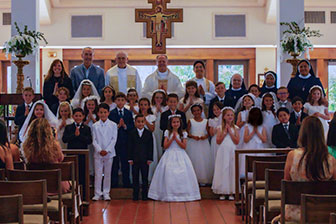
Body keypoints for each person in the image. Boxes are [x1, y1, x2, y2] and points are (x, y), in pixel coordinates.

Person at [282, 116, 336, 223]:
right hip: (323, 212)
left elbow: (287, 186)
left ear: (302, 134)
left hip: (297, 213)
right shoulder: (331, 160)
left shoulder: (292, 156)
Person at [148, 115, 201, 202]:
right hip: (169, 153)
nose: (176, 124)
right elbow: (165, 146)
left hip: (180, 154)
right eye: (174, 122)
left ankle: (183, 194)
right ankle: (168, 193)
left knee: (183, 174)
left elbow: (184, 146)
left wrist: (176, 139)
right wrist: (171, 139)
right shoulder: (167, 132)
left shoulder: (183, 133)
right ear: (171, 123)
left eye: (177, 122)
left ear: (180, 123)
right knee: (168, 172)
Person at [212, 107, 239, 200]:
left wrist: (230, 132)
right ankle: (222, 191)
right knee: (223, 168)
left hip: (232, 150)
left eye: (231, 115)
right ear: (224, 117)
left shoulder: (236, 128)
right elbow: (218, 141)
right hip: (223, 150)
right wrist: (224, 132)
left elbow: (237, 141)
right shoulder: (219, 128)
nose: (230, 117)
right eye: (228, 115)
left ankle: (231, 191)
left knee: (231, 168)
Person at [92, 103, 117, 201]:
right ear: (98, 113)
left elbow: (114, 139)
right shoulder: (95, 126)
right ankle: (97, 193)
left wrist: (107, 150)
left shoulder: (113, 125)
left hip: (109, 153)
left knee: (107, 173)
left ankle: (106, 192)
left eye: (105, 112)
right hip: (98, 153)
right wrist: (99, 150)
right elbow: (94, 140)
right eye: (101, 112)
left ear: (108, 113)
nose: (103, 114)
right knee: (98, 173)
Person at [109, 92, 134, 188]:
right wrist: (117, 126)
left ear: (125, 101)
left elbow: (132, 127)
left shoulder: (128, 113)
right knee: (115, 164)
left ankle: (126, 183)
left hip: (125, 142)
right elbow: (110, 127)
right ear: (115, 101)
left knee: (125, 163)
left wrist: (125, 126)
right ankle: (114, 183)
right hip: (115, 142)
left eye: (122, 100)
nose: (120, 102)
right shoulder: (112, 113)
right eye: (118, 100)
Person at [128, 114, 153, 201]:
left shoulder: (148, 133)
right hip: (135, 159)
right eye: (138, 122)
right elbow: (129, 147)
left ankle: (144, 196)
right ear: (135, 122)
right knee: (135, 177)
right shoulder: (131, 133)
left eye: (142, 122)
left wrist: (150, 158)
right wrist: (130, 158)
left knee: (144, 178)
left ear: (145, 122)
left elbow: (150, 147)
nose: (140, 124)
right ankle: (135, 196)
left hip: (145, 159)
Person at [186, 104, 212, 185]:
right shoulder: (191, 121)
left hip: (203, 143)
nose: (196, 112)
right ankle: (193, 179)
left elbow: (209, 133)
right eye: (194, 111)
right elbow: (187, 132)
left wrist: (205, 136)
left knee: (203, 160)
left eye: (198, 110)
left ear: (201, 111)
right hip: (193, 143)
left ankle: (203, 179)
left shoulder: (206, 121)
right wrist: (193, 136)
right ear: (192, 112)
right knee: (194, 159)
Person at [239, 107, 267, 177]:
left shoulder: (262, 127)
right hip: (249, 147)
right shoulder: (247, 126)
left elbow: (264, 140)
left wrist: (257, 132)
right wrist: (252, 132)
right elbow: (245, 140)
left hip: (259, 148)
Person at [138, 98, 157, 181]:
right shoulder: (135, 116)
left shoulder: (152, 117)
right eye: (141, 105)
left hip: (149, 140)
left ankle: (149, 178)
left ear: (149, 106)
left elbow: (152, 129)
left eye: (145, 105)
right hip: (139, 140)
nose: (143, 106)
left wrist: (145, 120)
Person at [151, 89, 168, 160]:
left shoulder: (166, 108)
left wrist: (160, 110)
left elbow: (166, 118)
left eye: (161, 98)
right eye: (157, 98)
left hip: (162, 129)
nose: (159, 99)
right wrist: (156, 111)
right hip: (154, 129)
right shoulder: (151, 108)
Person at [208, 101, 224, 173]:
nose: (216, 111)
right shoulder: (211, 120)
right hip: (215, 140)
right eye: (214, 110)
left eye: (218, 109)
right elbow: (211, 133)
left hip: (223, 139)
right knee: (215, 157)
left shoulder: (224, 119)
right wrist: (216, 127)